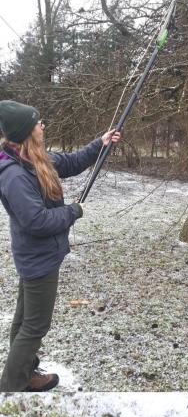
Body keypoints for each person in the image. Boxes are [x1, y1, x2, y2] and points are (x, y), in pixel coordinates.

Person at [0, 100, 121, 392]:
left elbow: (71, 162)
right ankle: (11, 388)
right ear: (27, 131)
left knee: (24, 320)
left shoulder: (33, 158)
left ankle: (24, 373)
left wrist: (101, 144)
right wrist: (74, 211)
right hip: (37, 258)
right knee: (34, 326)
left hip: (39, 256)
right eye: (37, 122)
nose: (42, 125)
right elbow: (37, 221)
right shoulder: (14, 174)